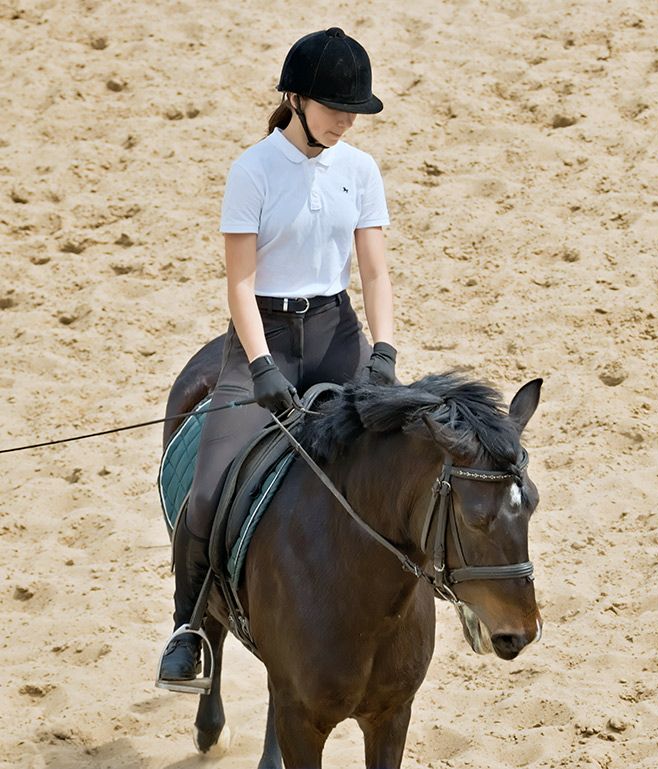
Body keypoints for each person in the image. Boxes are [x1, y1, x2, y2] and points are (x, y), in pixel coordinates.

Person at [157, 27, 398, 687]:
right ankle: (187, 631)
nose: (347, 119)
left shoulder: (360, 170)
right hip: (260, 333)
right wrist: (260, 366)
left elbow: (374, 274)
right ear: (295, 98)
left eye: (355, 109)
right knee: (207, 487)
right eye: (334, 106)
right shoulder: (253, 170)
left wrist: (383, 351)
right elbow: (239, 281)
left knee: (397, 455)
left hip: (335, 332)